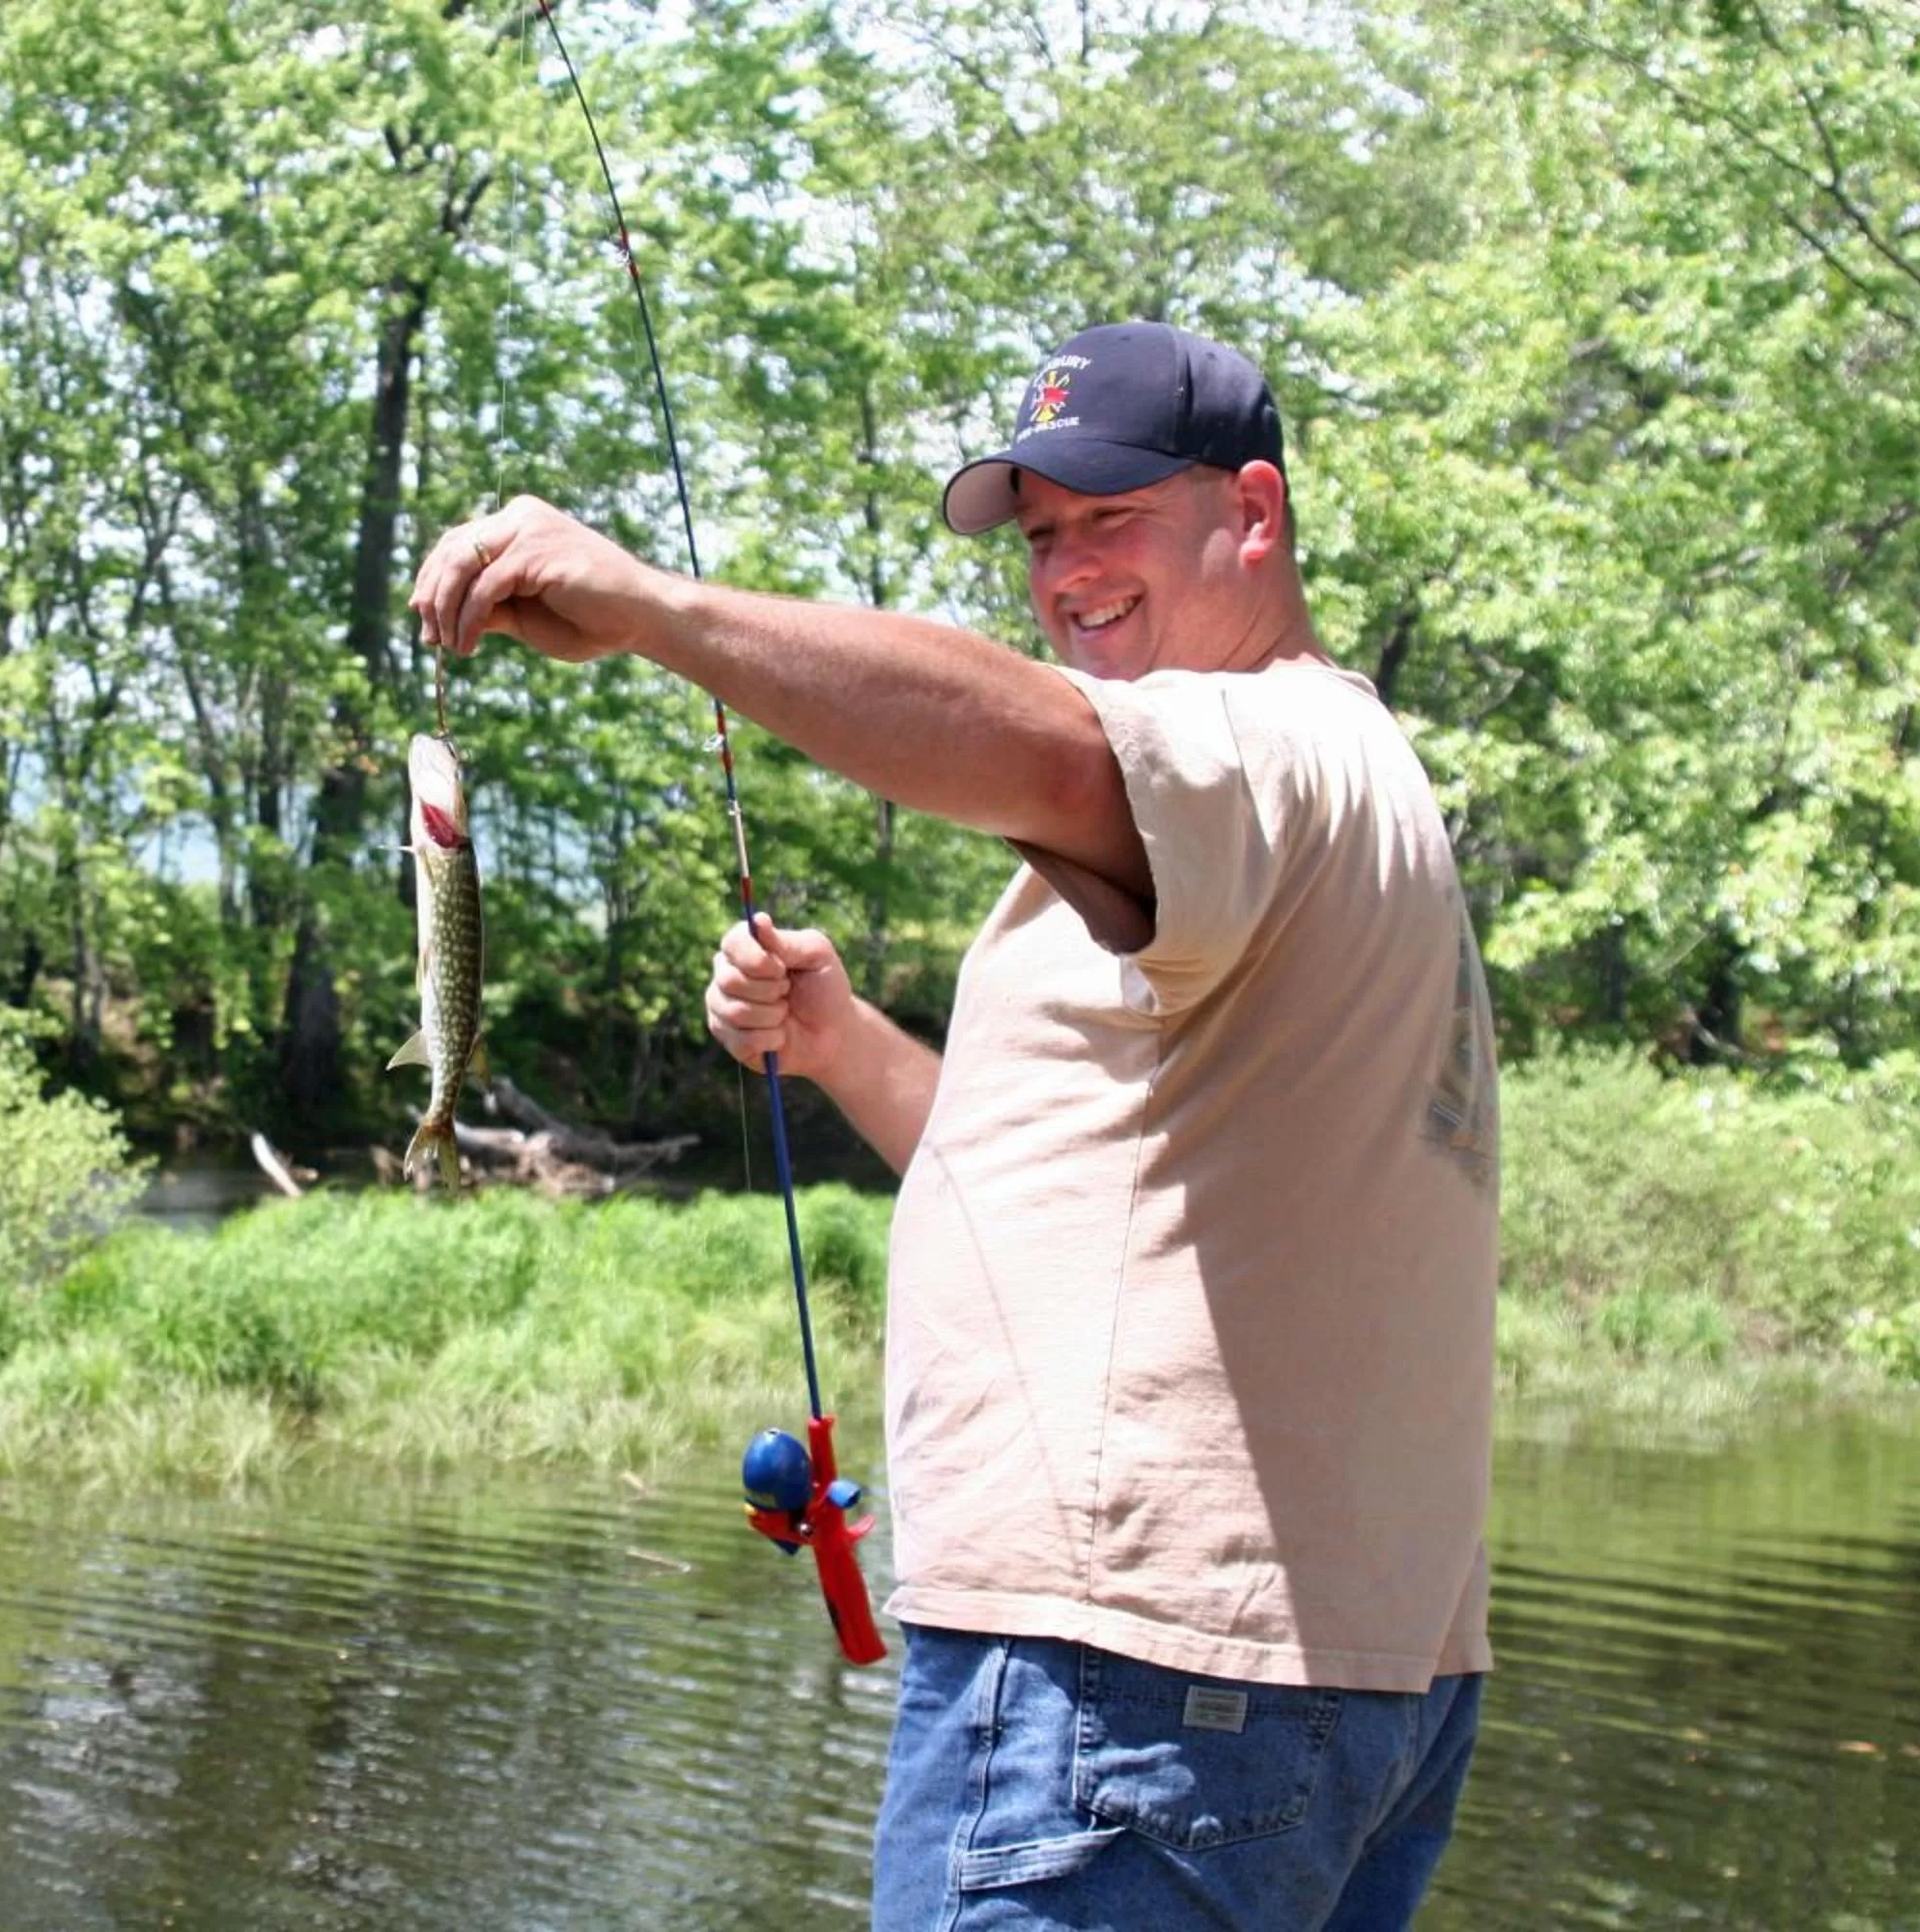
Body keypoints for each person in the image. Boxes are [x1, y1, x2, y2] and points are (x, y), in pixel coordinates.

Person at [409, 320, 1497, 1931]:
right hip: (1323, 1689)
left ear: (1254, 514)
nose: (1069, 573)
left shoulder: (1263, 747)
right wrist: (842, 1047)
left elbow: (1040, 745)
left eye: (1113, 518)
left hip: (1136, 1683)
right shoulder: (1302, 803)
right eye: (1042, 538)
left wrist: (660, 612)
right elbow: (1075, 1185)